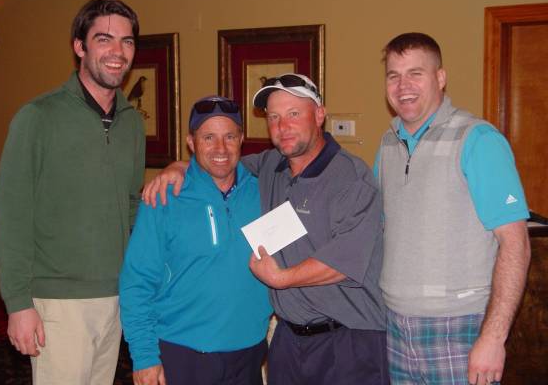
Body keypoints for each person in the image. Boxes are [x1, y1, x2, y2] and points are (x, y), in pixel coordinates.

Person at [143, 74, 389, 385]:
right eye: (274, 117)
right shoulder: (271, 166)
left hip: (346, 341)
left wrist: (281, 278)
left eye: (293, 114)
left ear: (319, 114)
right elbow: (220, 162)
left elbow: (346, 261)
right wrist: (178, 166)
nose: (282, 126)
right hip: (288, 341)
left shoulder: (351, 177)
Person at [0, 0, 145, 384]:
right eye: (104, 39)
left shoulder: (132, 123)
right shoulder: (38, 118)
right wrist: (18, 303)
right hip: (55, 304)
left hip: (114, 299)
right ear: (80, 46)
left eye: (126, 42)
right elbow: (10, 217)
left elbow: (130, 208)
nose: (117, 52)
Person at [375, 32, 531, 385]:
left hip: (460, 327)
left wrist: (493, 338)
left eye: (416, 73)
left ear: (440, 78)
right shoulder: (387, 144)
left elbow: (516, 244)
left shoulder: (478, 140)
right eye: (393, 75)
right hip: (396, 327)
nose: (403, 86)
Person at [119, 96, 272, 385]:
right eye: (208, 137)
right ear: (191, 142)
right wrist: (144, 356)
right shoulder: (163, 197)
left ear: (241, 139)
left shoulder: (264, 192)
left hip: (249, 353)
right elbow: (137, 282)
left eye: (229, 136)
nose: (220, 148)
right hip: (183, 354)